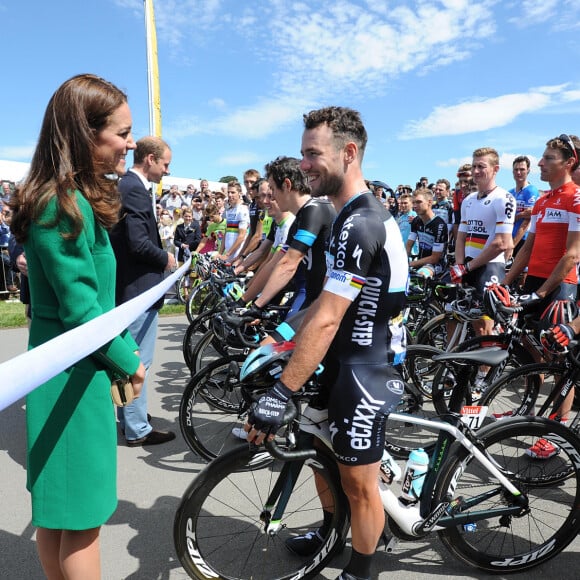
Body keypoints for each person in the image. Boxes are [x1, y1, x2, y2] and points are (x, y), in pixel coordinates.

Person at [245, 107, 408, 580]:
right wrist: (278, 336)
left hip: (368, 364)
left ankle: (362, 570)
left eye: (313, 154)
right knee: (320, 455)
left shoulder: (362, 223)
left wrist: (282, 392)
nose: (304, 165)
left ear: (349, 153)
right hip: (341, 357)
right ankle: (330, 530)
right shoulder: (342, 216)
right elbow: (321, 304)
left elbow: (332, 317)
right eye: (302, 155)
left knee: (360, 486)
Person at [9, 73, 146, 580]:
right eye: (122, 132)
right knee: (79, 520)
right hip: (71, 378)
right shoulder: (60, 205)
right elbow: (83, 310)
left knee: (62, 516)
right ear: (85, 135)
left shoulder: (68, 199)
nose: (131, 143)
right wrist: (131, 365)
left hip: (73, 370)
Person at [109, 136, 177, 447]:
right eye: (165, 164)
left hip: (130, 288)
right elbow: (137, 242)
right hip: (139, 289)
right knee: (138, 362)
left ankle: (131, 417)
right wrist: (166, 258)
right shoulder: (134, 189)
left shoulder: (128, 187)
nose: (167, 171)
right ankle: (137, 428)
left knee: (129, 359)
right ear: (149, 159)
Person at [240, 155, 335, 318]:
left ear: (287, 185)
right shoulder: (300, 217)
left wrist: (257, 305)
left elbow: (288, 264)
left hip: (321, 298)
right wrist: (243, 301)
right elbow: (274, 263)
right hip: (309, 293)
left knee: (274, 342)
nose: (271, 198)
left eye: (272, 190)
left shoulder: (314, 210)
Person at [452, 147, 515, 337]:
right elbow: (461, 236)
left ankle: (483, 368)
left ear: (495, 169)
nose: (476, 171)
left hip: (489, 266)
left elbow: (501, 244)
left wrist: (467, 267)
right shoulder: (468, 200)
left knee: (484, 328)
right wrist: (459, 265)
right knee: (461, 319)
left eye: (482, 166)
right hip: (469, 265)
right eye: (474, 166)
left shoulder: (504, 198)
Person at [407, 188, 448, 275]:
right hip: (420, 261)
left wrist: (410, 264)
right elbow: (409, 245)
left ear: (429, 202)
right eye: (413, 202)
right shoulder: (416, 221)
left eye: (418, 202)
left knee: (420, 275)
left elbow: (435, 258)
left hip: (435, 264)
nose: (414, 206)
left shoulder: (440, 225)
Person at [509, 155, 540, 265]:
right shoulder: (510, 193)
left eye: (522, 169)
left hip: (523, 239)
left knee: (521, 273)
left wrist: (512, 245)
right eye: (516, 169)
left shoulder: (531, 190)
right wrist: (521, 214)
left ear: (528, 171)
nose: (518, 172)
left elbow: (528, 218)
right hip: (509, 237)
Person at [219, 181, 249, 261]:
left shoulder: (243, 210)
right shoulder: (229, 210)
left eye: (233, 192)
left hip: (237, 255)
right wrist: (220, 253)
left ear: (239, 193)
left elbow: (242, 236)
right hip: (228, 255)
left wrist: (227, 254)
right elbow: (226, 234)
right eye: (228, 192)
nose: (229, 195)